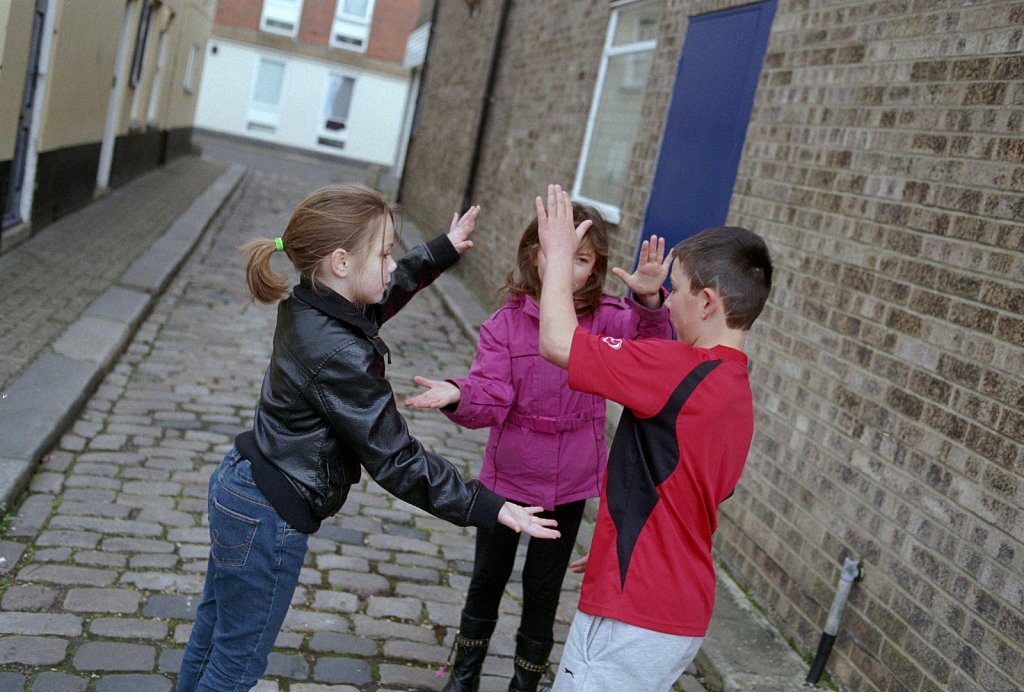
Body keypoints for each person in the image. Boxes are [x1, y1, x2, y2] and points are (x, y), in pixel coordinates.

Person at [176, 184, 560, 692]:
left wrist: (440, 250)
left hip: (243, 489)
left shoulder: (313, 303)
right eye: (382, 253)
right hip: (268, 517)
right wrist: (488, 507)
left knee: (213, 634)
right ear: (339, 262)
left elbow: (384, 290)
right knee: (235, 663)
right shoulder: (340, 354)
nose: (389, 262)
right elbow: (397, 460)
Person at [404, 202, 673, 692]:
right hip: (508, 476)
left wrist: (651, 303)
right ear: (534, 255)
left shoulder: (610, 319)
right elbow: (490, 395)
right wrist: (459, 392)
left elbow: (655, 356)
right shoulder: (505, 325)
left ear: (594, 268)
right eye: (558, 253)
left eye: (582, 259)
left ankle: (524, 684)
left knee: (543, 590)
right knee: (487, 578)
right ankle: (464, 676)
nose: (569, 268)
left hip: (569, 482)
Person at [535, 185, 773, 691]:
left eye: (678, 290)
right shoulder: (738, 394)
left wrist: (556, 259)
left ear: (707, 303)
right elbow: (687, 492)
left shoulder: (677, 367)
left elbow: (558, 341)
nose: (671, 302)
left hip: (633, 610)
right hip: (679, 612)